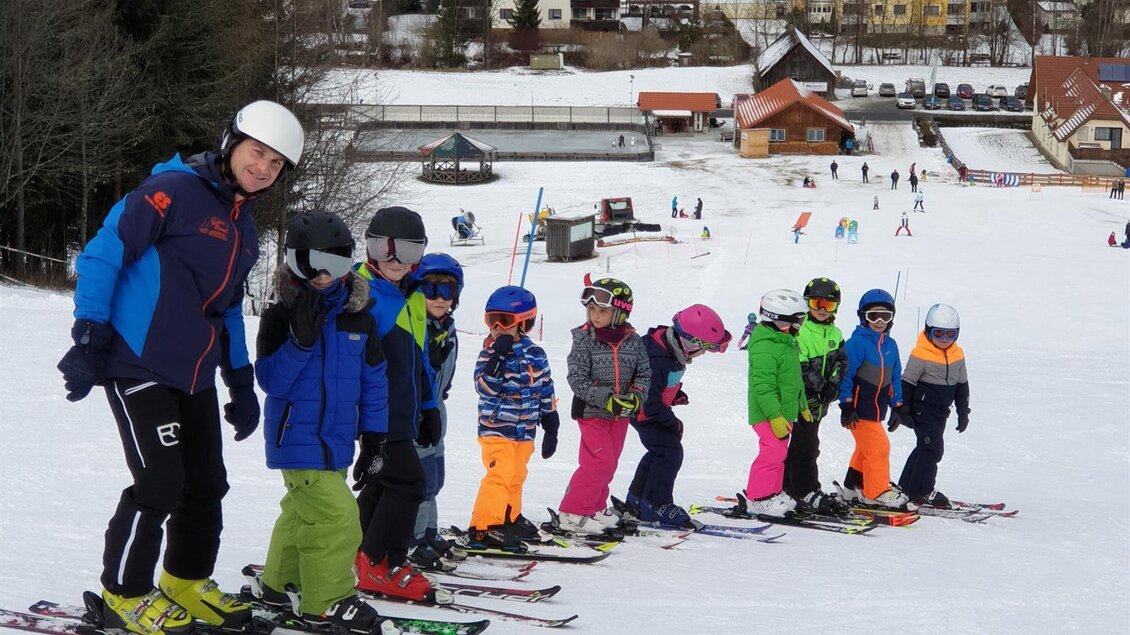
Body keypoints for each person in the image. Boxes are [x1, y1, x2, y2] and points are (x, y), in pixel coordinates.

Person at [56, 100, 304, 635]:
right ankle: (123, 594)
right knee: (159, 482)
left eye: (276, 163)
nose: (263, 167)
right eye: (257, 152)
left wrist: (240, 382)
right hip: (137, 361)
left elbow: (228, 309)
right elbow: (104, 252)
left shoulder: (244, 228)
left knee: (207, 483)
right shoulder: (171, 190)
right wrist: (90, 333)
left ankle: (185, 580)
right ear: (231, 143)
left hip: (194, 375)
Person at [251, 213, 391, 633]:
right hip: (296, 437)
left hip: (337, 441)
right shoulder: (281, 315)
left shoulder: (359, 317)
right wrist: (299, 342)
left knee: (301, 514)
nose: (324, 274)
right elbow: (271, 381)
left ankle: (279, 585)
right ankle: (326, 601)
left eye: (336, 261)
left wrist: (375, 438)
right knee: (337, 519)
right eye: (311, 263)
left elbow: (374, 381)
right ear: (293, 261)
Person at [353, 206, 440, 602]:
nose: (395, 260)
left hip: (403, 411)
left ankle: (360, 554)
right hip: (376, 412)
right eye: (384, 248)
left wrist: (429, 406)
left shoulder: (412, 295)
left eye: (407, 250)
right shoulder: (360, 294)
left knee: (382, 484)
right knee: (409, 483)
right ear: (369, 247)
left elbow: (419, 357)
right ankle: (381, 562)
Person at [555, 277, 651, 535]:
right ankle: (572, 511)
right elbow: (576, 378)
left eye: (603, 311)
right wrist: (606, 398)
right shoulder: (584, 339)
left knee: (610, 463)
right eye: (592, 309)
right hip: (592, 412)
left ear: (620, 313)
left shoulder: (634, 341)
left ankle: (595, 506)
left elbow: (644, 374)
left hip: (621, 415)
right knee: (598, 461)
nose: (595, 316)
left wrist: (636, 396)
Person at [468, 286, 559, 549]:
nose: (496, 328)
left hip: (525, 431)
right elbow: (484, 388)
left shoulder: (536, 354)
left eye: (504, 321)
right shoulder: (488, 353)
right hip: (496, 429)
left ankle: (508, 518)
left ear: (523, 322)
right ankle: (484, 527)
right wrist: (497, 357)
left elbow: (545, 387)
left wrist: (550, 421)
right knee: (499, 475)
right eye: (491, 320)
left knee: (516, 476)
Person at [626, 305, 731, 528]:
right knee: (670, 451)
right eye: (703, 349)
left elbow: (660, 387)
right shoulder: (658, 359)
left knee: (659, 451)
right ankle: (656, 505)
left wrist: (675, 395)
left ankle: (637, 499)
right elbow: (650, 402)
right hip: (643, 412)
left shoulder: (669, 349)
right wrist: (673, 422)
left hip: (650, 409)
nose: (703, 354)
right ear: (690, 342)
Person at [406, 253, 467, 570]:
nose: (440, 298)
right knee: (422, 481)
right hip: (416, 412)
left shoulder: (446, 326)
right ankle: (412, 541)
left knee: (436, 480)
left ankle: (428, 533)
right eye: (431, 290)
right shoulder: (414, 325)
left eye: (447, 290)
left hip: (436, 409)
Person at [835, 289, 910, 509]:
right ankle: (876, 491)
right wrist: (846, 405)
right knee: (879, 447)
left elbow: (895, 376)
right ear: (863, 317)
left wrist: (897, 405)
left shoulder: (891, 345)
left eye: (885, 316)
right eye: (873, 315)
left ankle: (853, 487)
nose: (879, 321)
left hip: (877, 409)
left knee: (865, 449)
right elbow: (845, 376)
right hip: (858, 409)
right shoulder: (856, 344)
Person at [893, 304, 971, 509]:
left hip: (941, 412)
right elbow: (907, 382)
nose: (944, 339)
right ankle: (923, 491)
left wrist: (963, 412)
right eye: (938, 333)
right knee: (933, 449)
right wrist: (903, 410)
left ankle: (907, 488)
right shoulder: (921, 353)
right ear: (928, 331)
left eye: (950, 334)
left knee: (924, 447)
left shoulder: (958, 354)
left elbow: (962, 386)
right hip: (922, 410)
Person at [785, 279, 850, 515]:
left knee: (801, 444)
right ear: (807, 304)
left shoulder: (835, 334)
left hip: (820, 403)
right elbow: (799, 365)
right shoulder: (801, 331)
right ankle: (806, 490)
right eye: (817, 303)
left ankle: (787, 487)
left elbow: (842, 361)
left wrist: (833, 385)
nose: (822, 310)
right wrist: (820, 387)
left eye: (828, 305)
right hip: (802, 400)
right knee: (807, 446)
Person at [744, 289, 810, 517]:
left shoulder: (786, 342)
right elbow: (762, 387)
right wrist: (774, 415)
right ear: (780, 320)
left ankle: (772, 492)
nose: (799, 325)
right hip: (767, 412)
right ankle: (758, 498)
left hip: (784, 412)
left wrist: (803, 405)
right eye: (797, 320)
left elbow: (795, 380)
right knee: (771, 452)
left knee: (779, 453)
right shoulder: (764, 345)